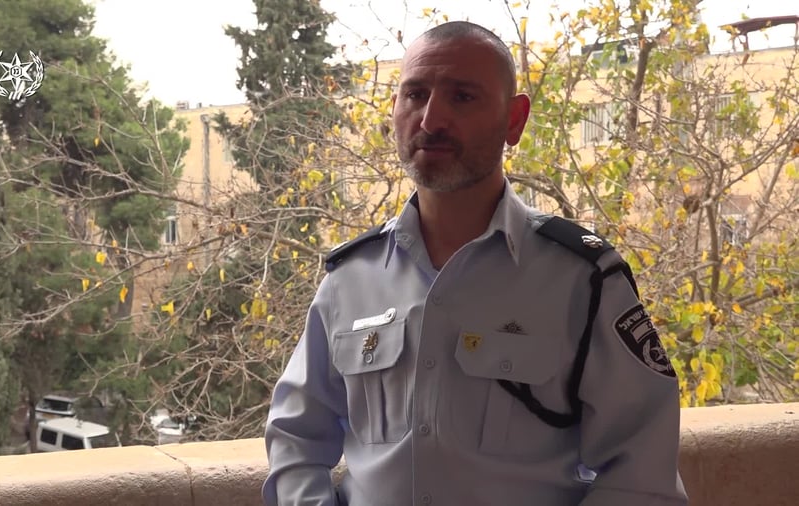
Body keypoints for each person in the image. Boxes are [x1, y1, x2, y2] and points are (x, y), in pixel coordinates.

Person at [262, 20, 689, 506]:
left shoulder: (582, 279)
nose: (430, 120)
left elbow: (641, 471)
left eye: (462, 97)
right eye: (415, 95)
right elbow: (296, 438)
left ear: (514, 120)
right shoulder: (350, 280)